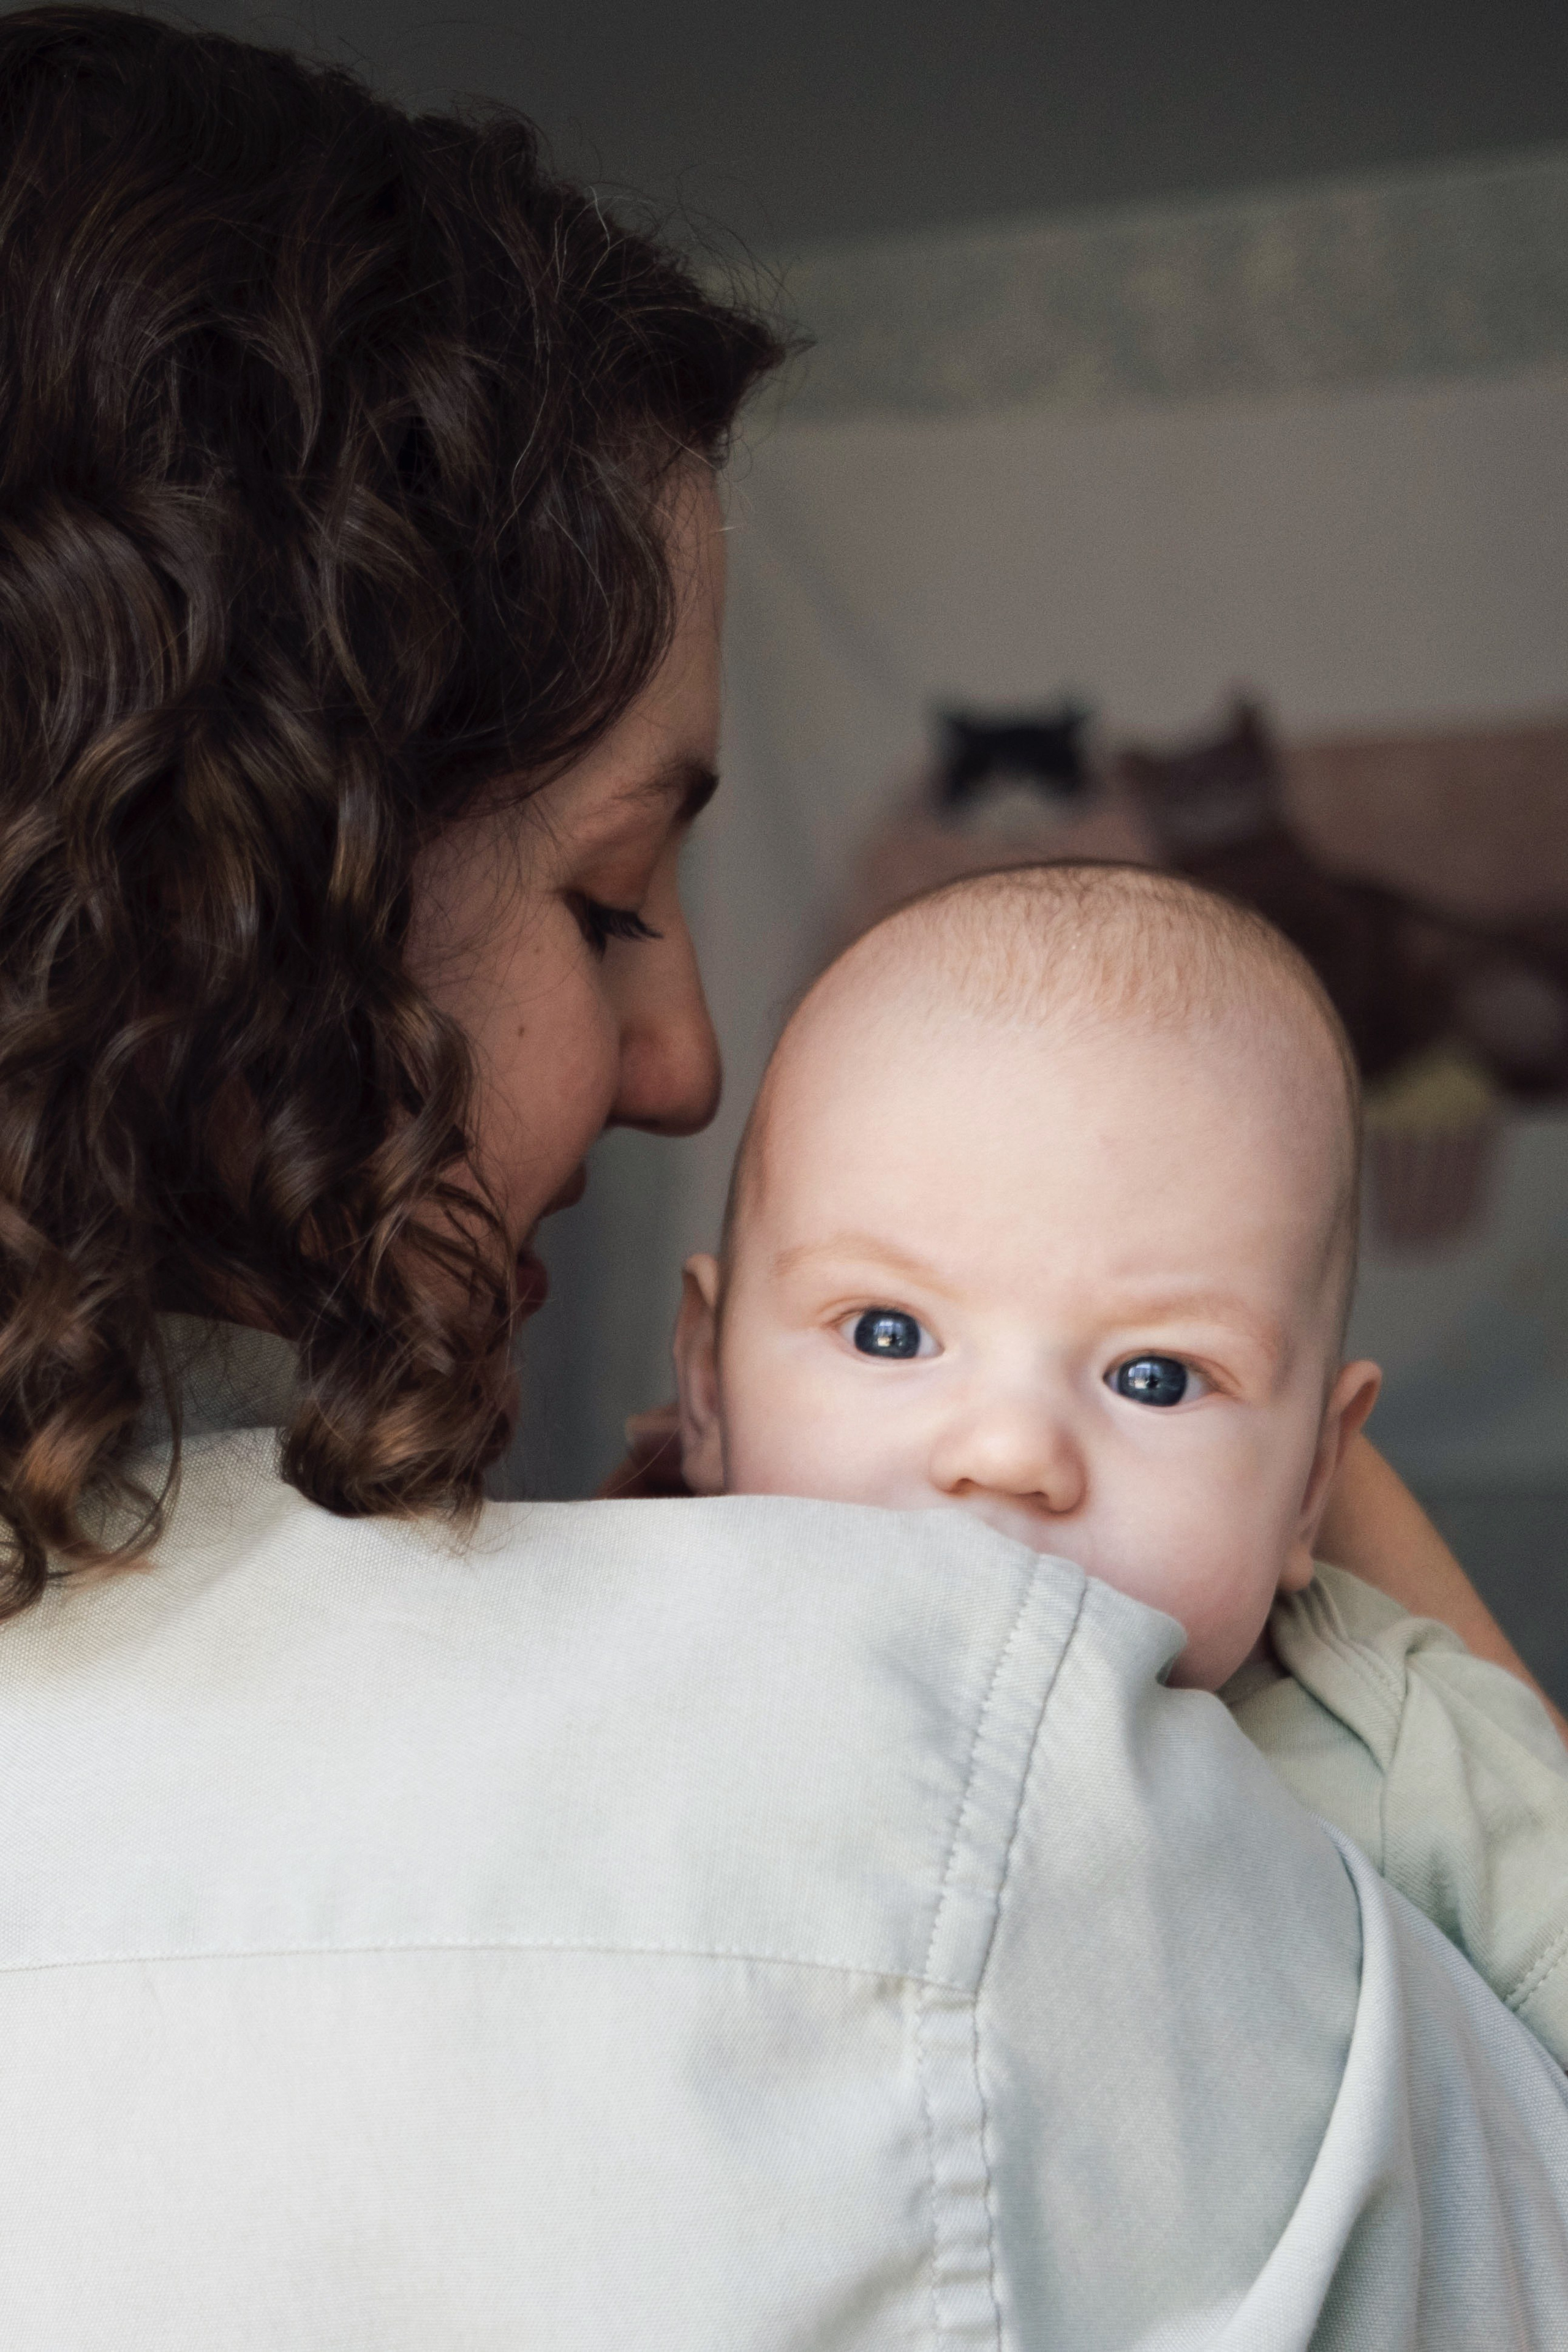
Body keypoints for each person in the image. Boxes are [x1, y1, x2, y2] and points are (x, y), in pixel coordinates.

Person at [0, 11, 1564, 2349]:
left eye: (1149, 1368)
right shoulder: (957, 1798)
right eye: (614, 899)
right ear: (221, 908)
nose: (682, 1060)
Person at [671, 861, 1568, 2060]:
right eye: (888, 1333)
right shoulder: (624, 1655)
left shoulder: (1407, 1762)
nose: (1006, 1453)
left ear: (1311, 1482)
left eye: (1153, 1376)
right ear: (704, 1387)